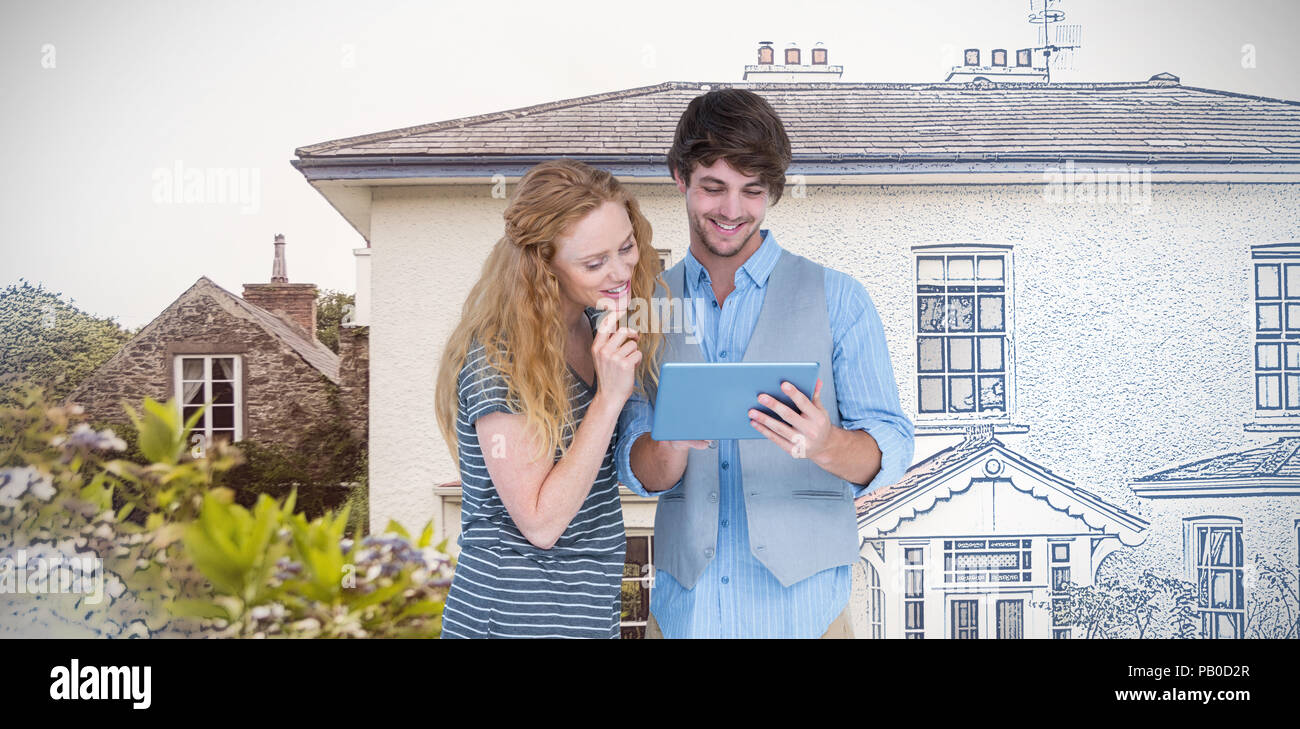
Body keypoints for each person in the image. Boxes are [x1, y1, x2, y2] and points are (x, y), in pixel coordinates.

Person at [615, 88, 916, 639]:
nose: (732, 211)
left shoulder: (841, 299)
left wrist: (826, 443)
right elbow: (636, 467)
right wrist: (671, 443)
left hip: (810, 620)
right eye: (713, 188)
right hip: (685, 619)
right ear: (680, 177)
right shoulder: (646, 307)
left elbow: (891, 445)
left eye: (752, 192)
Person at [434, 159, 663, 638]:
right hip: (513, 619)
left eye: (626, 247)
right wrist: (608, 400)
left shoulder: (595, 325)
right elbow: (540, 524)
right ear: (543, 264)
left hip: (583, 615)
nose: (621, 271)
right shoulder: (498, 360)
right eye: (594, 262)